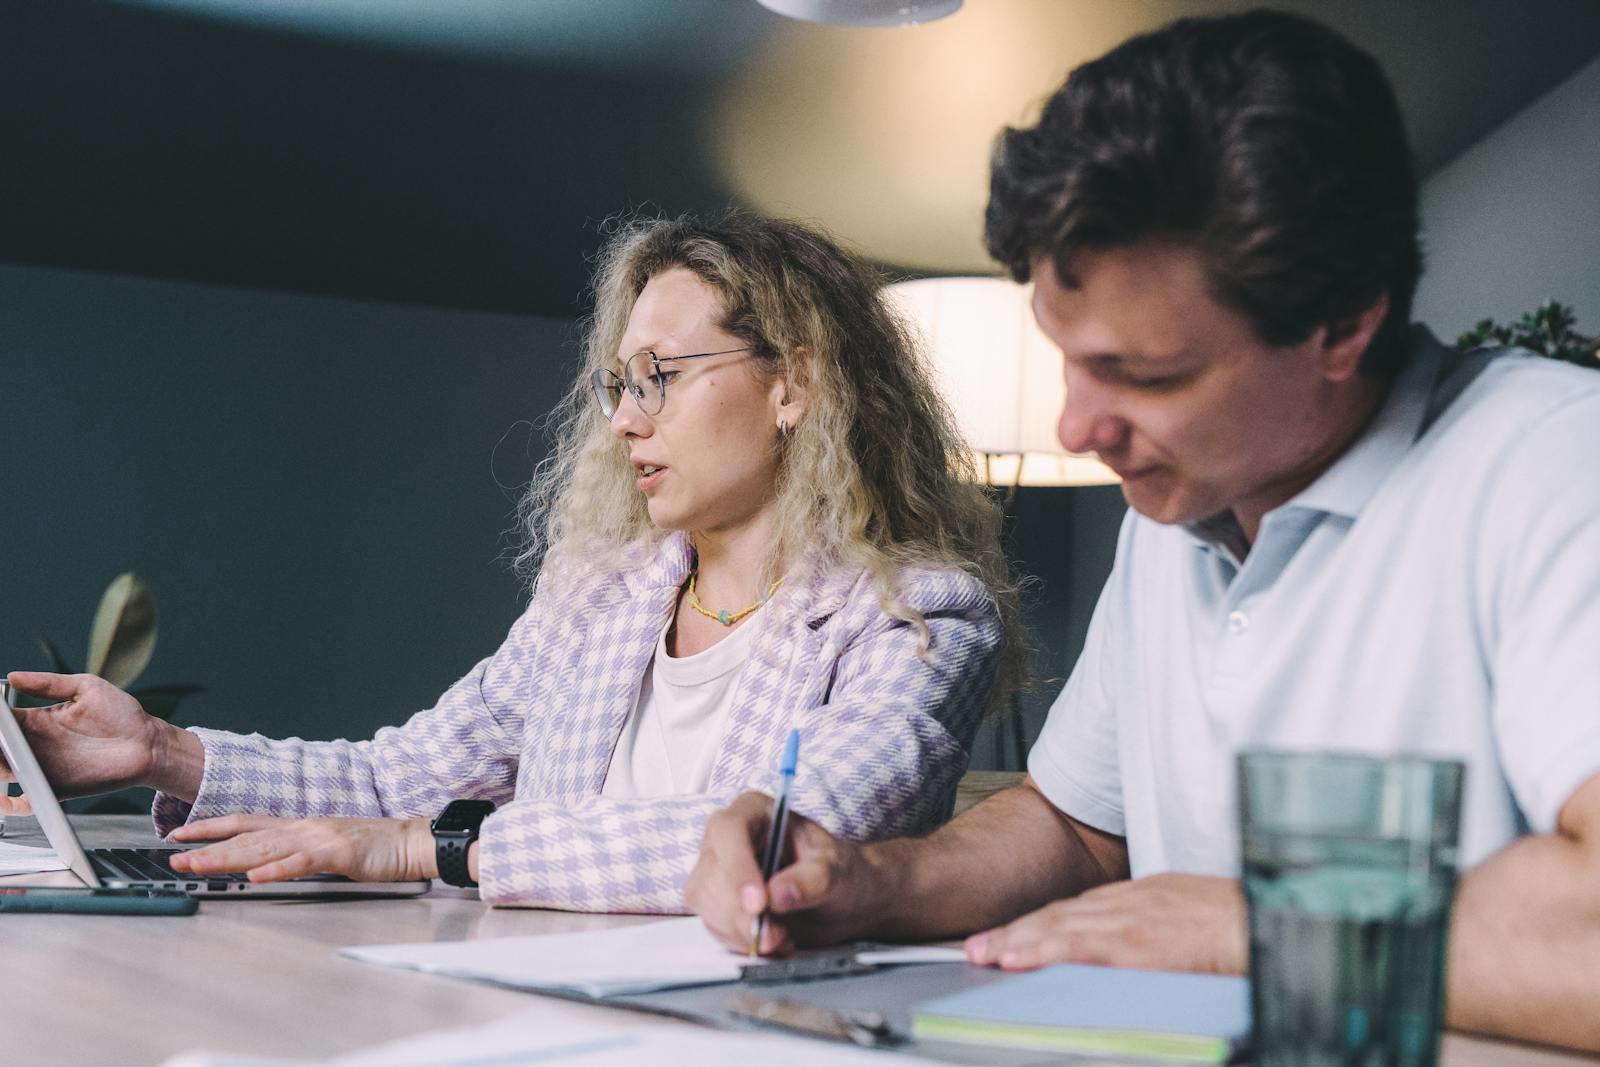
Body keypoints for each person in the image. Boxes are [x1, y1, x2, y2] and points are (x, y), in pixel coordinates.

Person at [687, 11, 1600, 1051]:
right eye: (1068, 356)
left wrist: (1243, 925)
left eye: (1145, 373)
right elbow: (1080, 826)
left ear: (1342, 324)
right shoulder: (1181, 505)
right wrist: (867, 877)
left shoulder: (1556, 464)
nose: (1080, 424)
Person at [2, 212, 1018, 912]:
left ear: (795, 382)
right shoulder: (605, 596)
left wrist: (434, 846)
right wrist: (160, 753)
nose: (623, 418)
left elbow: (786, 832)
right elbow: (398, 774)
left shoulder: (920, 613)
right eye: (620, 382)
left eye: (659, 376)